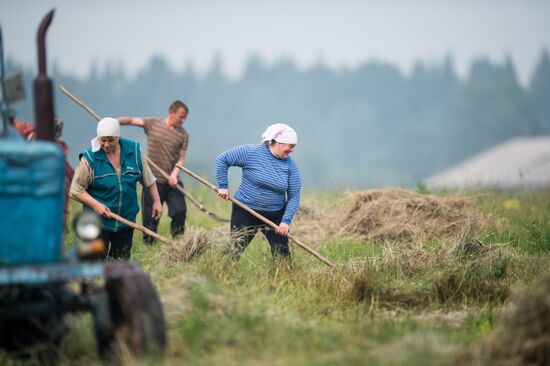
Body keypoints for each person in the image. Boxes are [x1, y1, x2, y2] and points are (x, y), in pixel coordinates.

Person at [70, 117, 163, 260]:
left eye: (110, 140)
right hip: (97, 221)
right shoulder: (90, 158)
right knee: (96, 260)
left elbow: (148, 179)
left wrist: (157, 201)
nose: (106, 144)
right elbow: (75, 189)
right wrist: (96, 205)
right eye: (102, 140)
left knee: (121, 260)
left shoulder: (134, 151)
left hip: (126, 219)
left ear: (118, 137)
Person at [216, 123, 302, 260]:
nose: (292, 150)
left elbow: (294, 196)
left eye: (294, 147)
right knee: (234, 250)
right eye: (290, 146)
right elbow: (223, 159)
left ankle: (284, 278)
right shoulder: (251, 152)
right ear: (278, 142)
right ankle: (219, 274)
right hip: (245, 211)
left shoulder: (291, 166)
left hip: (275, 216)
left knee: (282, 256)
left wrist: (285, 221)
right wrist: (223, 186)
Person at [117, 101, 189, 244]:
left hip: (172, 181)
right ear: (171, 111)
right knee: (151, 218)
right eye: (181, 116)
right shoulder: (153, 124)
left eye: (185, 118)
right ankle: (150, 247)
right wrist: (113, 122)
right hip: (152, 181)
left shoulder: (183, 134)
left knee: (179, 211)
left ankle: (180, 244)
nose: (183, 120)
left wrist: (175, 174)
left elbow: (181, 160)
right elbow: (131, 120)